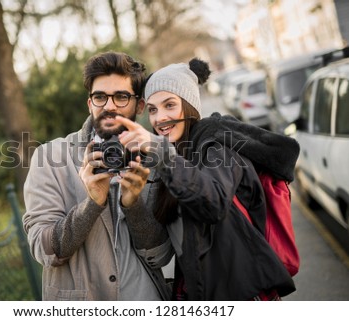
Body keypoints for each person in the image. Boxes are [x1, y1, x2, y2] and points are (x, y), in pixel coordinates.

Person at [113, 58, 297, 300]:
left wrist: (163, 155)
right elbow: (167, 249)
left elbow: (214, 203)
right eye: (153, 109)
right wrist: (132, 200)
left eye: (170, 105)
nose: (160, 119)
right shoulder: (176, 155)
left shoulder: (217, 147)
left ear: (189, 106)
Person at [22, 51, 172, 301]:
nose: (109, 106)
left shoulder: (153, 159)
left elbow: (161, 254)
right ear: (90, 103)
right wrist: (92, 204)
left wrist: (133, 205)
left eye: (122, 97)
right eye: (100, 97)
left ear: (140, 105)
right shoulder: (49, 158)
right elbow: (44, 251)